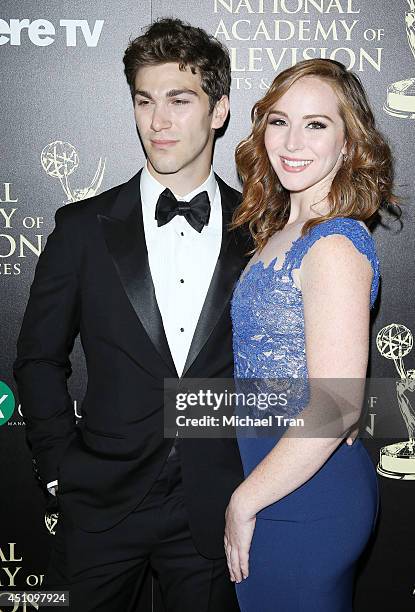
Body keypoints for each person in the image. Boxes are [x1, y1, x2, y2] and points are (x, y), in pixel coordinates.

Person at [13, 18, 247, 612]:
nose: (158, 122)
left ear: (219, 109)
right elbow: (39, 359)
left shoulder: (262, 231)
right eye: (144, 101)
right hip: (100, 501)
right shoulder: (81, 229)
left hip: (214, 507)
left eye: (179, 99)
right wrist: (59, 466)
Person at [225, 58, 397, 611]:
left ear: (349, 144)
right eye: (279, 121)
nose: (292, 140)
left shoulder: (335, 245)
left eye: (317, 124)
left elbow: (337, 406)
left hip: (307, 491)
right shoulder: (280, 231)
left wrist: (244, 501)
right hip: (274, 475)